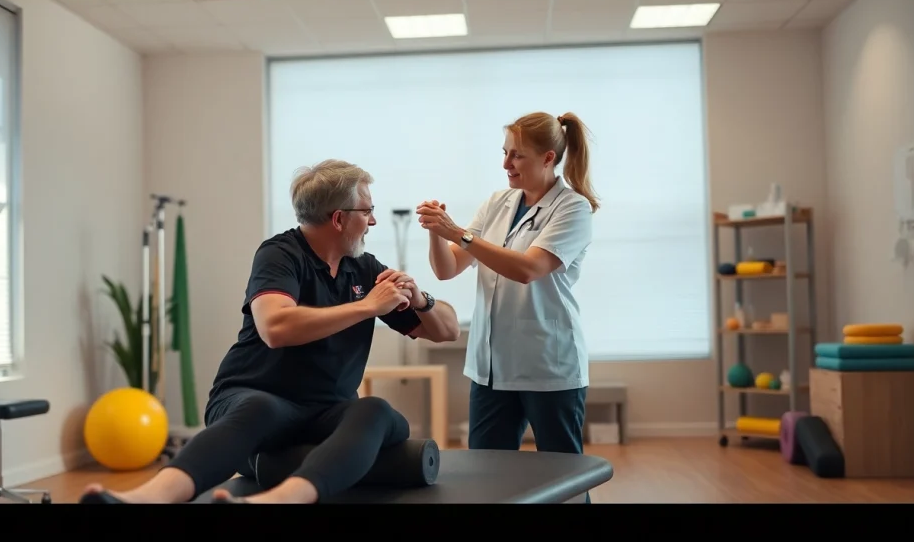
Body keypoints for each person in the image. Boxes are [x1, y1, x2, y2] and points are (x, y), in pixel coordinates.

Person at [80, 159, 461, 504]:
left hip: (325, 411)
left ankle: (282, 500)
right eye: (368, 211)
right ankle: (145, 499)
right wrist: (367, 307)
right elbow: (276, 327)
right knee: (262, 408)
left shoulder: (362, 268)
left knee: (376, 411)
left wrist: (421, 299)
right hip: (254, 396)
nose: (373, 221)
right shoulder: (280, 254)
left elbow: (447, 332)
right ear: (339, 219)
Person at [416, 111, 598, 478]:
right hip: (490, 371)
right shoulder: (499, 202)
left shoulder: (573, 208)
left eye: (517, 155)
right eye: (505, 153)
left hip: (548, 367)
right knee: (485, 478)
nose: (506, 164)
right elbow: (447, 269)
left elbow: (528, 269)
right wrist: (437, 231)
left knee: (563, 480)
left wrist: (460, 234)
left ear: (548, 157)